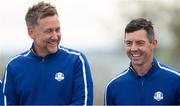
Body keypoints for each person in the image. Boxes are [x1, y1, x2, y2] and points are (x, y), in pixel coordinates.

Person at [2, 1, 93, 105]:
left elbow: (83, 103)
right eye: (49, 31)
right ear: (31, 32)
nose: (55, 36)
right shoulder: (13, 67)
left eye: (57, 30)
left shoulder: (76, 61)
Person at [104, 18, 180, 105]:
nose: (133, 49)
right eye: (129, 43)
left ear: (153, 44)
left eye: (140, 43)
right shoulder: (113, 87)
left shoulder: (176, 81)